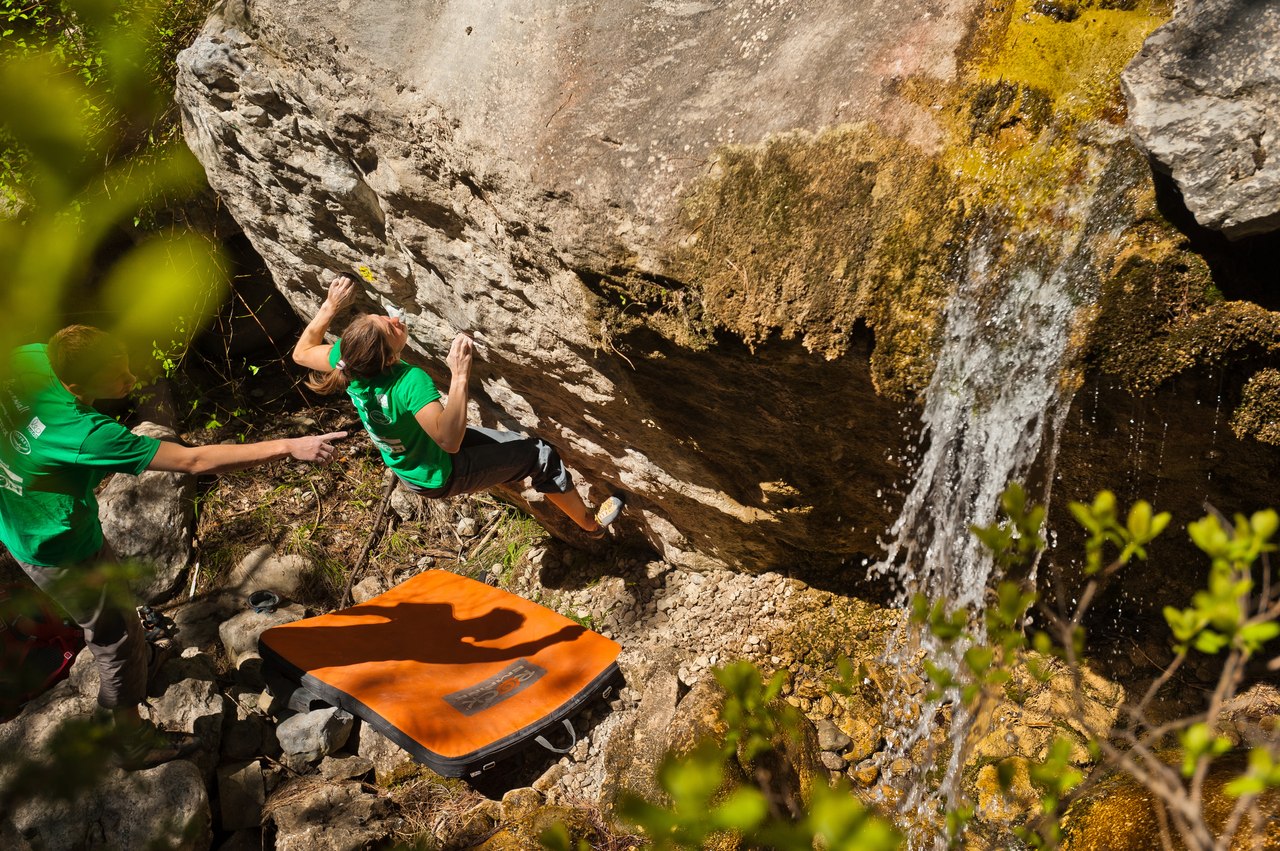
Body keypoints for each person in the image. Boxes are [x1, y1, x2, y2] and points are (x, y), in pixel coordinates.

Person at [0, 325, 347, 769]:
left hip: (22, 515)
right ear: (76, 383)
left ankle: (136, 658)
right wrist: (289, 445)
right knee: (117, 637)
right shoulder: (88, 433)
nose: (130, 379)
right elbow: (192, 461)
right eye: (118, 375)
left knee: (118, 618)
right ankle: (130, 739)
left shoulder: (32, 355)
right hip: (57, 545)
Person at [292, 275, 622, 538]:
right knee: (540, 456)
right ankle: (591, 527)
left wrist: (330, 305)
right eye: (391, 328)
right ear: (391, 358)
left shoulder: (348, 363)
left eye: (380, 317)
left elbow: (302, 352)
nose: (394, 320)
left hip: (416, 460)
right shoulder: (408, 382)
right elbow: (448, 440)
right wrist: (460, 373)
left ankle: (523, 477)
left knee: (519, 450)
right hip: (440, 473)